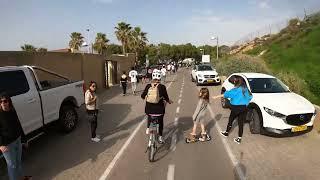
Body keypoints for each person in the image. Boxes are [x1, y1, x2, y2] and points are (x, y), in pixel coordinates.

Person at [0, 92, 32, 180]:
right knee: (12, 166)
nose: (3, 103)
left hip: (18, 140)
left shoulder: (12, 111)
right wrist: (1, 145)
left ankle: (22, 178)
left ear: (9, 102)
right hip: (7, 145)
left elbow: (18, 125)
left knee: (18, 162)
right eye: (1, 101)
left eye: (5, 101)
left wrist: (24, 140)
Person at [212, 77, 252, 144]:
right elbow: (250, 97)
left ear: (235, 82)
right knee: (241, 123)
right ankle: (239, 139)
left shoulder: (235, 90)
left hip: (235, 108)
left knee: (231, 120)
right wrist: (246, 104)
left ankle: (226, 133)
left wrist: (216, 97)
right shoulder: (245, 89)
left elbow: (226, 94)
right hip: (243, 108)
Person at [141, 70, 173, 144]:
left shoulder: (148, 86)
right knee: (160, 121)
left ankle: (148, 128)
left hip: (149, 110)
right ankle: (160, 137)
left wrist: (145, 97)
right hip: (159, 111)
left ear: (152, 77)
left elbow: (142, 96)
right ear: (160, 77)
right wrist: (168, 101)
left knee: (149, 115)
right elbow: (166, 97)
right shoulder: (162, 87)